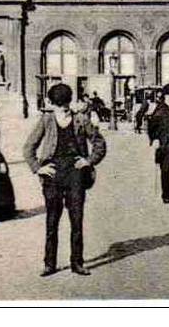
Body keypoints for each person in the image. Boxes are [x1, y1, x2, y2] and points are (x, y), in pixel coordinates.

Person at [23, 83, 107, 277]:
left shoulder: (81, 119)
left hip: (75, 174)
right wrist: (38, 168)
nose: (63, 109)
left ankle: (77, 262)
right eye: (59, 105)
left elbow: (99, 143)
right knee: (52, 220)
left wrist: (88, 161)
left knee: (76, 220)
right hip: (52, 175)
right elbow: (28, 147)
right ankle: (49, 264)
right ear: (52, 104)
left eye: (65, 104)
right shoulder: (46, 120)